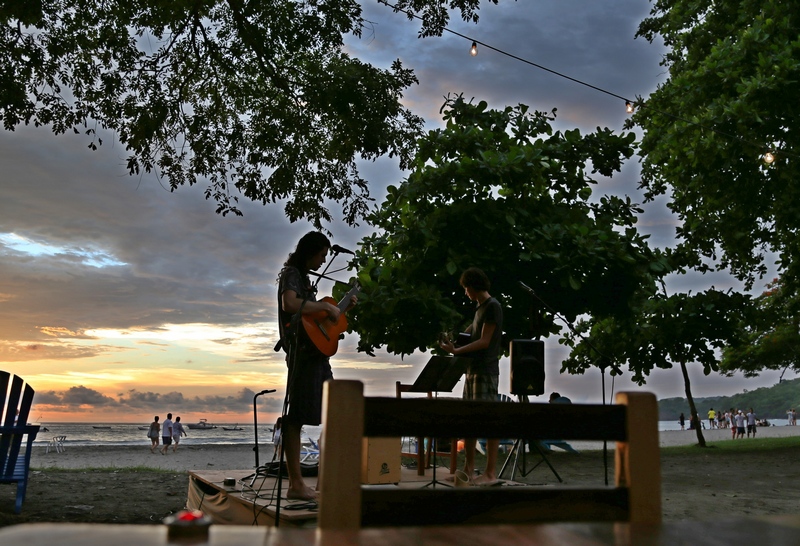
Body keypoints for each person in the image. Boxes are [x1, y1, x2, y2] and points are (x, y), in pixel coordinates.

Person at [277, 231, 356, 501]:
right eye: (322, 254)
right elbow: (290, 304)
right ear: (310, 251)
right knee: (296, 418)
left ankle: (324, 479)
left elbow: (317, 321)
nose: (324, 260)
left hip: (316, 355)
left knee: (332, 413)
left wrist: (339, 309)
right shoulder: (291, 273)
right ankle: (296, 485)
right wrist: (325, 306)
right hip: (303, 356)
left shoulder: (305, 279)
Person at [439, 267, 504, 486]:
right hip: (473, 370)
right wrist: (453, 343)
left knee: (487, 421)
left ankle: (490, 473)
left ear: (471, 286)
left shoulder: (493, 307)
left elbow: (485, 341)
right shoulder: (480, 309)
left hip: (485, 370)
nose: (465, 292)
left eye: (465, 288)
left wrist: (456, 351)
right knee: (469, 421)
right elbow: (469, 335)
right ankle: (466, 470)